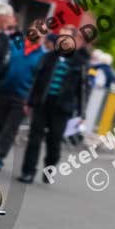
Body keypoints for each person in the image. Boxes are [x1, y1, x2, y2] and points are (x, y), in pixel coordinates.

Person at [18, 25, 89, 184]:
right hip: (42, 104)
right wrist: (29, 101)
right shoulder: (48, 57)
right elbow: (37, 80)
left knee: (54, 140)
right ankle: (28, 172)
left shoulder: (80, 63)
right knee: (34, 139)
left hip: (62, 108)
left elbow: (83, 90)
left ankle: (49, 169)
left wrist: (82, 114)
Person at [0, 28, 46, 170]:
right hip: (3, 91)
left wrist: (31, 100)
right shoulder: (15, 45)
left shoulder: (43, 56)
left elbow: (40, 80)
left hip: (22, 97)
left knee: (10, 129)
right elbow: (2, 63)